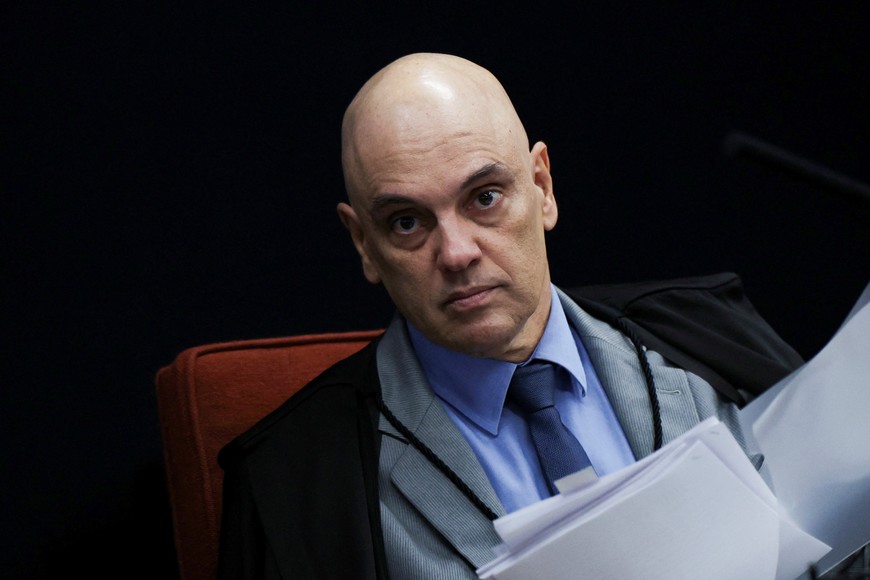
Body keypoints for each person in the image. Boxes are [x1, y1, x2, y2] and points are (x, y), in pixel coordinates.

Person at [216, 52, 803, 579]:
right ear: (363, 243)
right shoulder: (294, 480)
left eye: (484, 197)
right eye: (406, 222)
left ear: (542, 187)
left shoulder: (708, 338)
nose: (457, 252)